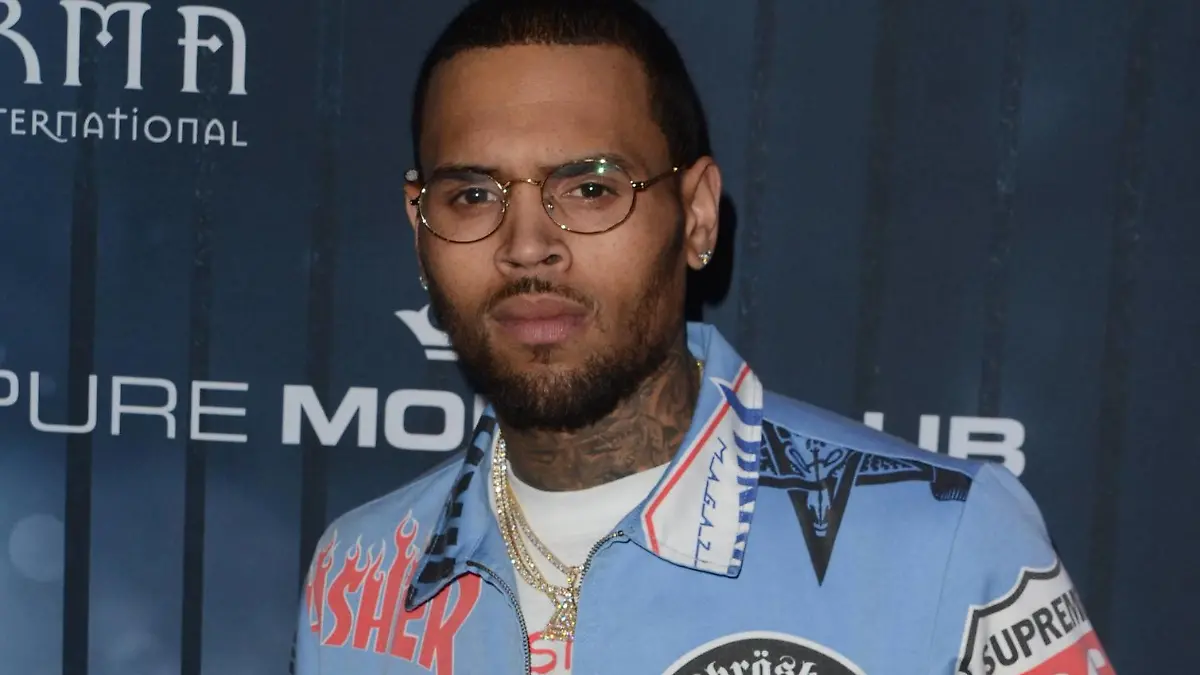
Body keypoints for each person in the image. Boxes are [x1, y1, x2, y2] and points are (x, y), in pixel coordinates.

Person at [292, 1, 1116, 673]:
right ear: (420, 227)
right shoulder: (358, 571)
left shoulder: (942, 542)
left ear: (696, 216)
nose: (528, 245)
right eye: (473, 195)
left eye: (590, 188)